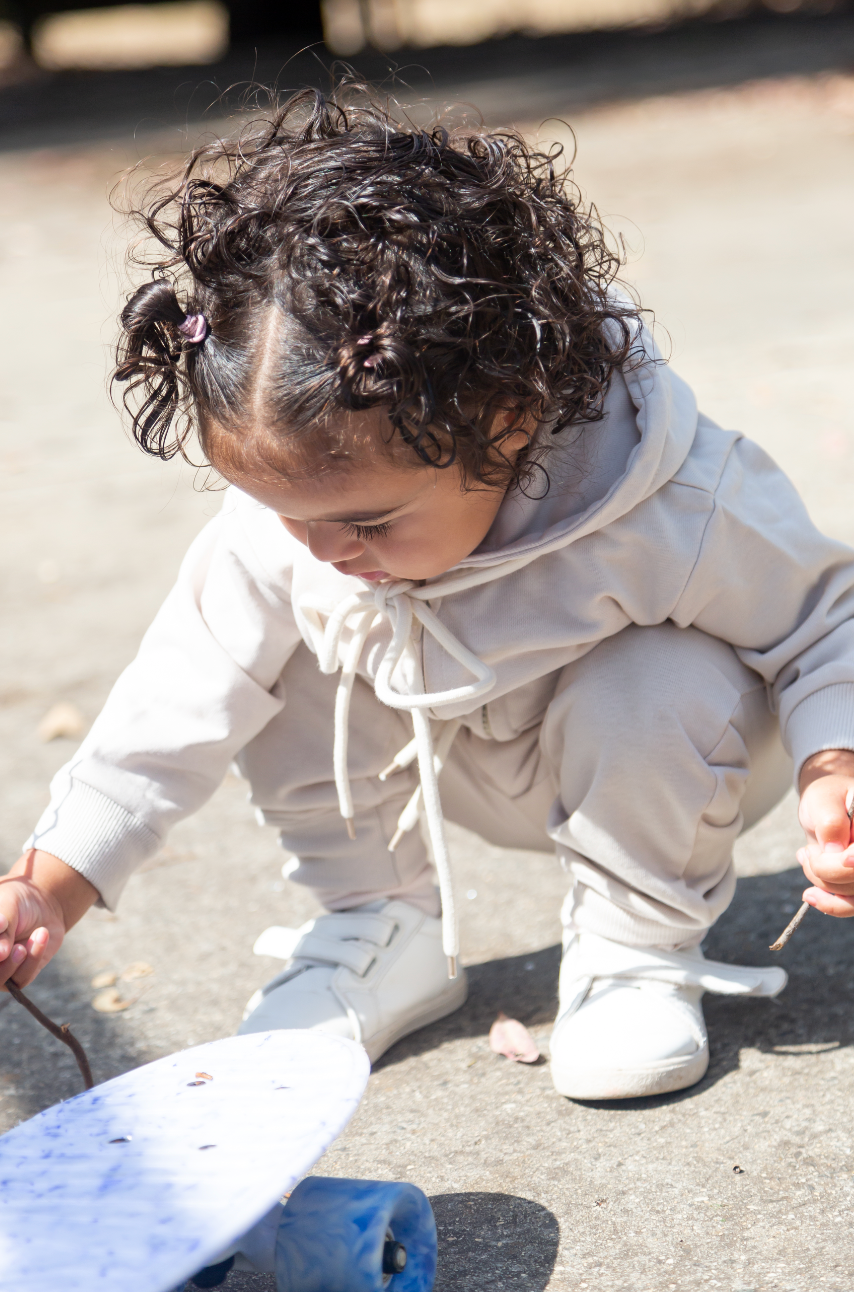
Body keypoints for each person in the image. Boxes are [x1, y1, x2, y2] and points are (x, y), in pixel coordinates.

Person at [3, 85, 854, 1102]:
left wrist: (831, 765)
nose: (323, 548)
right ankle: (379, 921)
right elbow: (169, 707)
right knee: (271, 641)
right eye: (286, 514)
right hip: (444, 745)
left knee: (658, 669)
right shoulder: (305, 535)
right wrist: (50, 880)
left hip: (656, 753)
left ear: (505, 420)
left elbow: (822, 623)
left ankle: (634, 949)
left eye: (366, 521)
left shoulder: (667, 500)